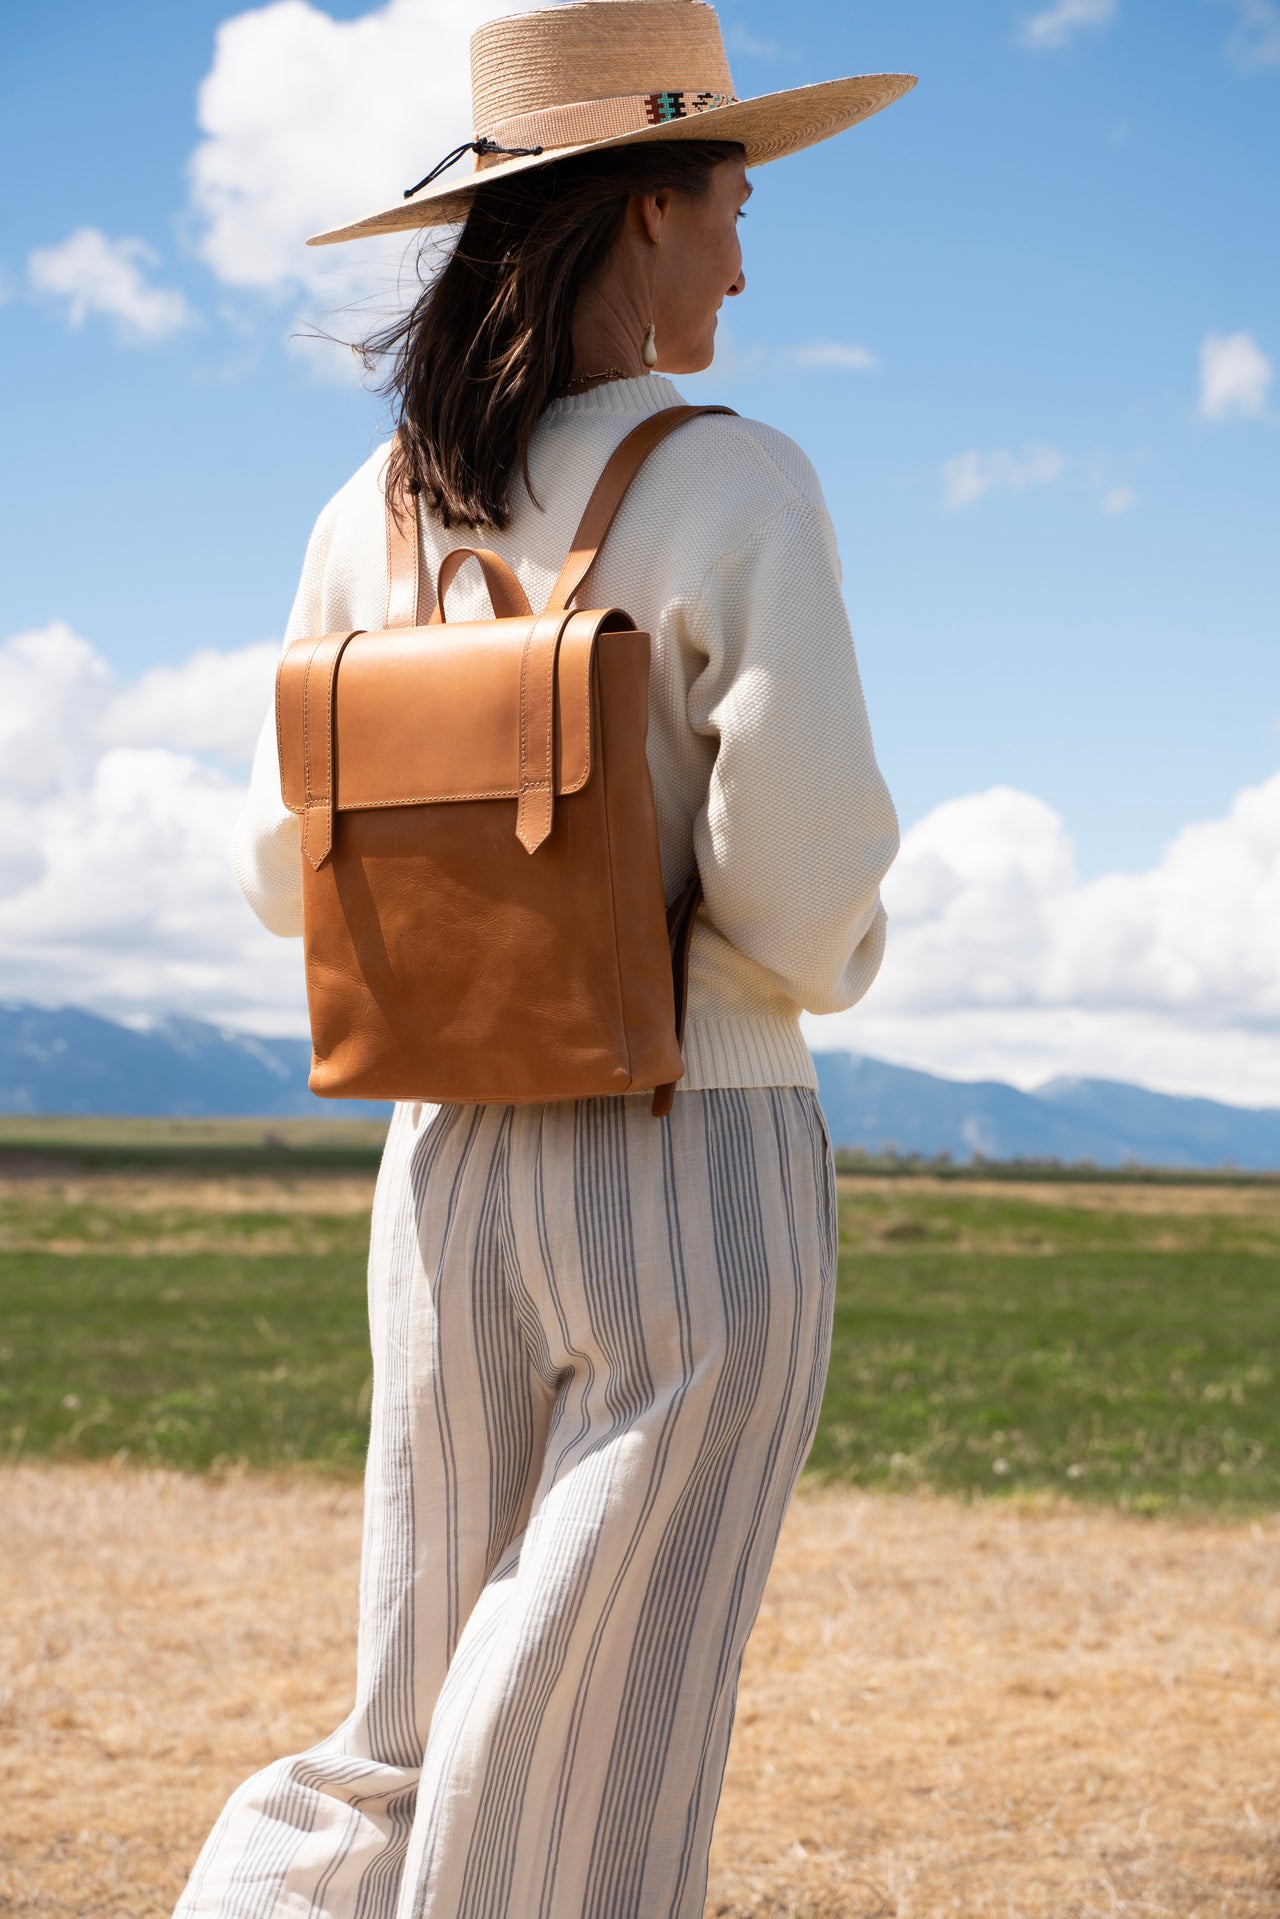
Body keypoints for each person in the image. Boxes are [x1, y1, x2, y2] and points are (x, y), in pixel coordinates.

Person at [174, 4, 910, 1915]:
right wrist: (817, 947)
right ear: (643, 211)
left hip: (445, 1169)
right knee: (592, 1754)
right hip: (699, 1144)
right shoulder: (734, 480)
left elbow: (282, 869)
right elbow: (805, 891)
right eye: (734, 198)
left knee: (399, 1731)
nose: (748, 249)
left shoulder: (371, 512)